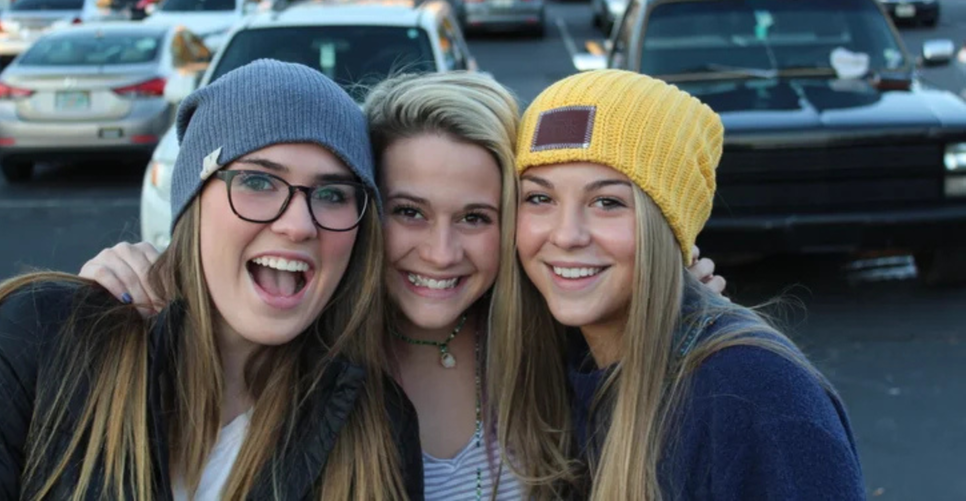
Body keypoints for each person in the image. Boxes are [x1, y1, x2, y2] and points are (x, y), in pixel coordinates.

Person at [75, 70, 726, 500]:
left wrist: (678, 298)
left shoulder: (556, 345)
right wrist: (129, 276)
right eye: (409, 211)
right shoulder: (305, 350)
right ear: (359, 209)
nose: (440, 253)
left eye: (475, 217)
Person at [0, 60, 423, 500]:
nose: (299, 225)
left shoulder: (377, 426)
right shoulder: (35, 341)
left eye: (332, 194)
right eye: (259, 182)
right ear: (193, 201)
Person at [502, 69, 866, 500]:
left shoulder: (756, 394)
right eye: (540, 198)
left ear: (669, 227)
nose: (566, 235)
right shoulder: (566, 361)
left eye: (608, 202)